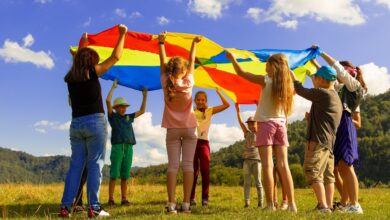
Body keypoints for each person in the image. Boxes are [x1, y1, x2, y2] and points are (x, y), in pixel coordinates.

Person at [59, 24, 128, 218]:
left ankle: (65, 207)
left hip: (76, 125)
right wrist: (122, 34)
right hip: (95, 124)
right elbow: (116, 57)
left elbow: (78, 61)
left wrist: (84, 43)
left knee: (75, 166)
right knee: (95, 165)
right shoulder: (92, 72)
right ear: (90, 62)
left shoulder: (71, 78)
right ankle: (94, 208)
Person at [226, 51, 297, 212]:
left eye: (267, 64)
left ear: (273, 66)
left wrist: (233, 59)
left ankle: (270, 205)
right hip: (281, 125)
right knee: (284, 165)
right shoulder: (288, 86)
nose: (265, 66)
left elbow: (241, 73)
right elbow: (294, 82)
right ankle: (292, 204)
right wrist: (290, 73)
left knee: (267, 165)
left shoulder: (265, 80)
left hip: (266, 124)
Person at [315, 50, 367, 214]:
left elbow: (336, 68)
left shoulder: (353, 86)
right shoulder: (340, 88)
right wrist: (312, 61)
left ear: (348, 73)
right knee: (340, 167)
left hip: (345, 124)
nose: (337, 75)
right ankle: (349, 203)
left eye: (341, 72)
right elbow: (327, 76)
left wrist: (322, 53)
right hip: (337, 126)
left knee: (346, 166)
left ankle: (355, 204)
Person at [158, 31, 201, 214]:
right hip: (190, 129)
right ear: (183, 71)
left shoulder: (166, 82)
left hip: (172, 130)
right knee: (188, 166)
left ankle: (171, 204)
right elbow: (192, 62)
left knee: (173, 166)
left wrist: (161, 43)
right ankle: (185, 204)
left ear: (169, 70)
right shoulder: (189, 82)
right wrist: (194, 43)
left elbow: (162, 62)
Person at [290, 63, 342, 213]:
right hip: (329, 143)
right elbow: (326, 119)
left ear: (323, 80)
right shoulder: (335, 97)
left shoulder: (323, 93)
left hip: (318, 140)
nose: (315, 80)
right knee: (327, 176)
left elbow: (300, 90)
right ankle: (328, 205)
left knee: (312, 170)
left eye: (316, 78)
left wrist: (293, 77)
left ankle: (323, 206)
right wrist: (311, 119)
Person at [106, 80, 148, 206]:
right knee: (114, 174)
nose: (123, 108)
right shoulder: (112, 117)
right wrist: (113, 88)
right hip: (117, 147)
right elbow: (108, 101)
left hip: (129, 148)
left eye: (125, 106)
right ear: (116, 108)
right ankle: (111, 199)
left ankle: (124, 199)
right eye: (121, 106)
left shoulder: (129, 117)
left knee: (125, 176)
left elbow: (142, 111)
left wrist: (145, 96)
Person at [190, 88, 230, 207]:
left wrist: (218, 92)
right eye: (198, 99)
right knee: (193, 172)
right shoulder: (191, 111)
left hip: (204, 143)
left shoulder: (210, 111)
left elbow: (227, 105)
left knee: (205, 171)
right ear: (195, 100)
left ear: (206, 100)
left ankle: (205, 199)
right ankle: (191, 198)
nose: (201, 101)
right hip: (192, 142)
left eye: (203, 99)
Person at [234, 104, 263, 208]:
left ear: (257, 123)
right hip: (246, 161)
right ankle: (247, 203)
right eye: (249, 124)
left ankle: (260, 203)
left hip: (257, 161)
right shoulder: (247, 133)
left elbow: (262, 117)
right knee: (246, 183)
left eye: (253, 123)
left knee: (258, 182)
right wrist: (238, 111)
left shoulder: (260, 133)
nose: (251, 126)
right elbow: (241, 123)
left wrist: (258, 106)